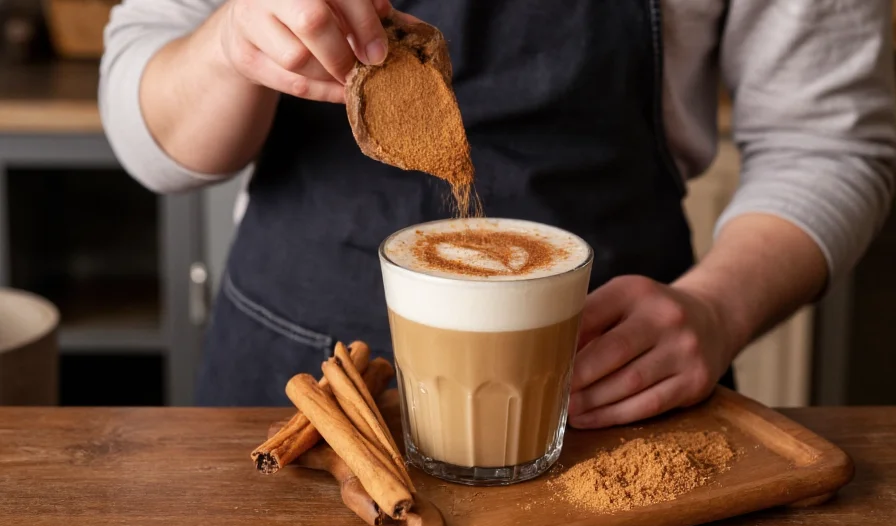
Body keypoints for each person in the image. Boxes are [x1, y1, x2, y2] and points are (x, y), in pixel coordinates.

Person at [100, 0, 896, 425]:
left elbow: (826, 142)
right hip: (299, 384)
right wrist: (228, 45)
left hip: (606, 386)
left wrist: (718, 308)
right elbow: (149, 139)